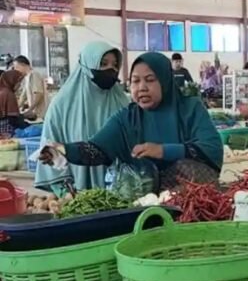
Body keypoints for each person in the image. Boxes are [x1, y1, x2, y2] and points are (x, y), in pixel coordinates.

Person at [39, 52, 223, 190]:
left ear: (165, 81)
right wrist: (62, 150)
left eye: (150, 80)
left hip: (193, 201)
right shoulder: (127, 118)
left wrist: (162, 150)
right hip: (143, 204)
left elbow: (211, 148)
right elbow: (96, 149)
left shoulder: (190, 109)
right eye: (135, 81)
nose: (141, 88)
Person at [35, 41, 130, 193]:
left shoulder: (123, 101)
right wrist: (66, 193)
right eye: (103, 64)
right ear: (86, 65)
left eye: (114, 65)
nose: (110, 69)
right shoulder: (62, 105)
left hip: (123, 190)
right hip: (77, 193)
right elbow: (50, 148)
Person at [13, 55, 49, 120]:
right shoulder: (27, 77)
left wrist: (30, 109)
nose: (16, 70)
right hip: (35, 113)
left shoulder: (34, 74)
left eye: (17, 67)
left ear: (23, 65)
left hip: (40, 114)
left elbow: (38, 94)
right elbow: (23, 96)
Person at [0, 70, 28, 137]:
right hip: (6, 130)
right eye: (19, 82)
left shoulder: (2, 90)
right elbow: (12, 119)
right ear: (12, 81)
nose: (20, 85)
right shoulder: (8, 94)